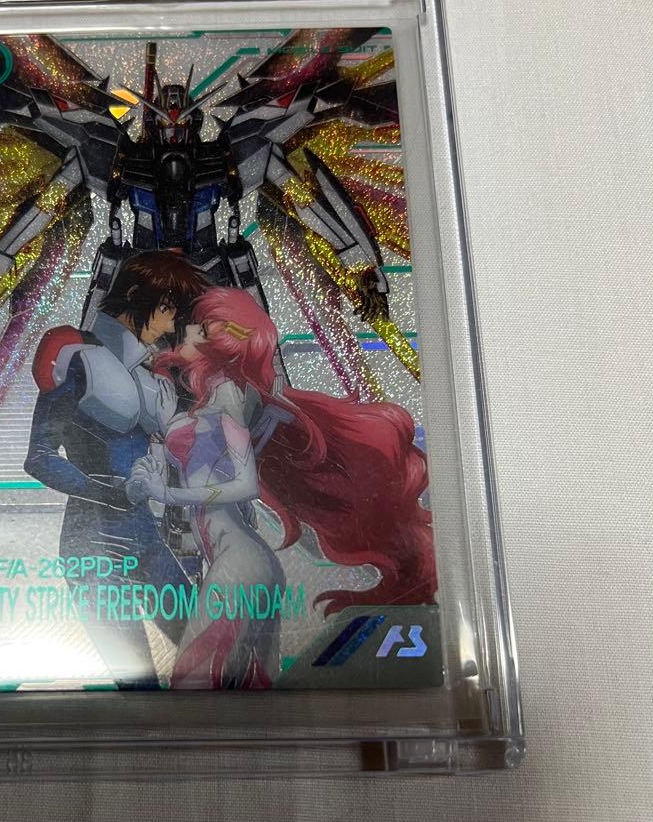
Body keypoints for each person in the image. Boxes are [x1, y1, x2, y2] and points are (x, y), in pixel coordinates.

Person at [126, 287, 436, 690]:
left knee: (193, 690)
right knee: (254, 696)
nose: (186, 331)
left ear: (223, 342)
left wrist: (168, 493)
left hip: (240, 567)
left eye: (200, 328)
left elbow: (245, 484)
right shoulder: (214, 399)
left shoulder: (229, 397)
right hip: (248, 567)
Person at [24, 250, 207, 689]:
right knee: (138, 686)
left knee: (209, 662)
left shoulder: (150, 376)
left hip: (146, 535)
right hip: (93, 544)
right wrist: (109, 492)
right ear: (137, 296)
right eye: (166, 308)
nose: (169, 323)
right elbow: (40, 456)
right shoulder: (80, 360)